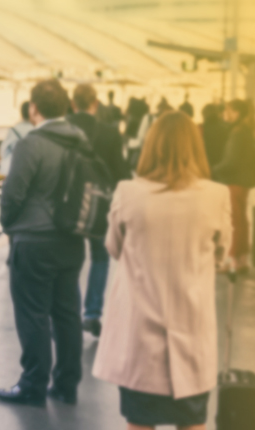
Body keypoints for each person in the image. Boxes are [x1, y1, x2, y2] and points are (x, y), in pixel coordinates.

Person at [93, 112, 232, 430]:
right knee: (193, 421)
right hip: (192, 334)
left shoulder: (128, 192)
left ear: (150, 147)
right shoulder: (216, 195)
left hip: (139, 339)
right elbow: (222, 253)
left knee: (139, 422)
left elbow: (114, 248)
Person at [0, 79, 87, 406]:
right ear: (66, 108)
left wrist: (9, 224)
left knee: (33, 313)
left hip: (33, 241)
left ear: (34, 109)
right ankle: (66, 383)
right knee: (67, 313)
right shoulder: (80, 141)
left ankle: (33, 384)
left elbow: (13, 193)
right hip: (72, 241)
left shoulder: (31, 143)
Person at [67, 84, 131, 337]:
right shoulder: (110, 133)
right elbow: (121, 173)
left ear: (73, 104)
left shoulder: (62, 128)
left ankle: (69, 313)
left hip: (68, 205)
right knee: (100, 258)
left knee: (70, 260)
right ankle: (92, 314)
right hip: (101, 206)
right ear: (95, 104)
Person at [214, 99, 255, 272]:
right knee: (243, 221)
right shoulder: (246, 131)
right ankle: (243, 259)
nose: (225, 114)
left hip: (235, 180)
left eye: (228, 110)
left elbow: (230, 161)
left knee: (234, 221)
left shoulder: (237, 132)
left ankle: (231, 260)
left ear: (237, 113)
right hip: (245, 180)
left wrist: (212, 169)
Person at [0, 101, 34, 176]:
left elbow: (4, 150)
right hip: (31, 170)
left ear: (21, 113)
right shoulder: (37, 130)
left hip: (13, 169)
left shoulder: (14, 130)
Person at [201, 103, 231, 168]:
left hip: (205, 164)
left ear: (204, 115)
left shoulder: (201, 129)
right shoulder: (225, 129)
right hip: (220, 164)